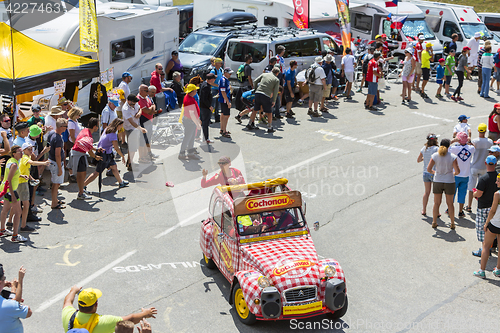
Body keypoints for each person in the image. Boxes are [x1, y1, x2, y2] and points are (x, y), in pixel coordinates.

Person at [62, 286, 157, 333]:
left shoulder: (68, 315)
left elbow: (67, 302)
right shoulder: (104, 321)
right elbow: (130, 319)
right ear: (96, 304)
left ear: (79, 304)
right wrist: (146, 314)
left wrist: (73, 291)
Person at [84, 119, 129, 190]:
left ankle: (121, 182)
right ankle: (83, 185)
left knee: (114, 167)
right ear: (118, 125)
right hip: (104, 154)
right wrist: (122, 156)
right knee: (97, 172)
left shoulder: (107, 129)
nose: (121, 127)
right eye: (121, 125)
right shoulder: (113, 134)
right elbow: (116, 147)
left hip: (106, 153)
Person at [427, 139, 460, 229]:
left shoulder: (435, 155)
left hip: (438, 180)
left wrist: (435, 173)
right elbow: (457, 171)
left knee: (436, 203)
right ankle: (452, 223)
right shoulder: (452, 156)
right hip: (449, 181)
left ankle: (434, 222)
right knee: (450, 203)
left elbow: (429, 169)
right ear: (449, 146)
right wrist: (453, 174)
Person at [473, 173, 500, 279]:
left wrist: (486, 223)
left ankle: (482, 271)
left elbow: (492, 210)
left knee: (486, 246)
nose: (496, 182)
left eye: (498, 181)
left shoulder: (497, 194)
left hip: (495, 223)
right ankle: (498, 269)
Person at [18, 142, 49, 232]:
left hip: (23, 182)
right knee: (25, 205)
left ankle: (12, 223)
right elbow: (32, 163)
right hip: (22, 184)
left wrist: (32, 179)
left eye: (32, 148)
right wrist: (43, 163)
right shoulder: (25, 158)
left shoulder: (25, 157)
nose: (31, 150)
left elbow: (25, 171)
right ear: (24, 151)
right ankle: (23, 225)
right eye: (29, 149)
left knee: (19, 205)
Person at [471, 155, 498, 258]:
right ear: (495, 164)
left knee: (483, 229)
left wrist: (474, 194)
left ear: (485, 163)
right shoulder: (498, 177)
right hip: (495, 207)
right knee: (493, 227)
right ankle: (492, 246)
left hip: (483, 207)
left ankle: (484, 250)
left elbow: (479, 194)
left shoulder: (483, 179)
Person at [0, 146, 26, 242]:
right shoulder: (14, 164)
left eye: (22, 151)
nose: (22, 153)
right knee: (18, 212)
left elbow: (10, 174)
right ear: (14, 153)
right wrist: (13, 195)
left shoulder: (11, 160)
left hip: (5, 189)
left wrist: (21, 175)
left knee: (5, 209)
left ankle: (2, 230)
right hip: (11, 190)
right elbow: (9, 180)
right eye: (19, 152)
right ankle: (15, 236)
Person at [71, 118, 101, 200]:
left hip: (78, 154)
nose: (98, 128)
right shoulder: (88, 135)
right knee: (81, 175)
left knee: (82, 175)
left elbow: (88, 146)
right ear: (94, 127)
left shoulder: (85, 130)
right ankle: (81, 193)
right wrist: (96, 157)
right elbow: (90, 151)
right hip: (79, 155)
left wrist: (97, 149)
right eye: (98, 126)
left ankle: (82, 190)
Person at [466, 124, 493, 212]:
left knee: (471, 187)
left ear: (478, 131)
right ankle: (480, 206)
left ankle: (469, 206)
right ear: (485, 131)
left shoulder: (475, 141)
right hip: (484, 167)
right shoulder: (490, 141)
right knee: (482, 189)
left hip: (474, 166)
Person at [450, 132, 475, 218]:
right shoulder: (471, 148)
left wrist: (453, 141)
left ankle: (450, 209)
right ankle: (460, 211)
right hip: (465, 175)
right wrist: (469, 141)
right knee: (462, 193)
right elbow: (473, 146)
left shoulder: (454, 149)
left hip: (456, 174)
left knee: (452, 193)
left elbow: (446, 147)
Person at [0, 265, 32, 331]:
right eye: (4, 278)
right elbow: (28, 312)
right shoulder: (8, 305)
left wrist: (3, 285)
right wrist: (17, 284)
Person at [122, 95, 147, 169]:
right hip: (130, 128)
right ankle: (130, 164)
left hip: (136, 128)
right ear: (128, 101)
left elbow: (140, 108)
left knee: (132, 147)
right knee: (132, 147)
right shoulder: (125, 109)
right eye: (133, 102)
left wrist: (139, 113)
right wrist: (141, 129)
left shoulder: (134, 103)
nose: (135, 103)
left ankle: (129, 161)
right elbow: (131, 122)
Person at [47, 118, 67, 210]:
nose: (66, 128)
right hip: (55, 163)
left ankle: (55, 199)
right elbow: (57, 155)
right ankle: (54, 203)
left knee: (56, 183)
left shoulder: (52, 133)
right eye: (65, 126)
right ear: (61, 127)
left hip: (52, 161)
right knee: (56, 184)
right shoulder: (58, 138)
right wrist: (60, 168)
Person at [253, 67, 281, 133]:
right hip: (266, 95)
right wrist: (274, 100)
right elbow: (276, 91)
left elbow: (255, 81)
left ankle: (249, 123)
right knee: (269, 112)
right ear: (277, 73)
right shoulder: (276, 79)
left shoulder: (264, 74)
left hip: (257, 93)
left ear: (272, 71)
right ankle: (269, 127)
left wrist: (255, 89)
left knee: (255, 109)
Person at [178, 84, 202, 160]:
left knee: (191, 138)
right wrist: (197, 123)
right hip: (189, 121)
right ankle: (182, 154)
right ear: (191, 92)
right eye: (195, 90)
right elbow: (191, 113)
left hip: (189, 121)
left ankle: (190, 153)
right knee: (188, 137)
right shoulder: (190, 99)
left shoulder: (188, 97)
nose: (196, 91)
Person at [417, 134, 439, 216]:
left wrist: (425, 158)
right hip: (434, 172)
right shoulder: (437, 149)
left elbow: (418, 160)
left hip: (425, 173)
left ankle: (424, 210)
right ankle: (436, 211)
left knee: (426, 192)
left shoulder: (424, 149)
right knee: (436, 193)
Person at [137, 85, 158, 163]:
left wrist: (151, 109)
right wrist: (151, 109)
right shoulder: (139, 99)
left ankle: (146, 155)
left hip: (149, 121)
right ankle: (141, 158)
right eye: (146, 91)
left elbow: (153, 105)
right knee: (142, 141)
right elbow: (146, 111)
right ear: (141, 91)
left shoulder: (146, 97)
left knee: (148, 140)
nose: (148, 92)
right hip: (143, 122)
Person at [199, 73, 215, 144]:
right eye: (214, 79)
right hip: (205, 108)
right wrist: (209, 106)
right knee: (205, 123)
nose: (215, 80)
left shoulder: (204, 84)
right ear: (211, 79)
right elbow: (204, 98)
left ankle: (203, 137)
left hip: (203, 107)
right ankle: (205, 138)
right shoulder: (206, 87)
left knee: (203, 122)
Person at [218, 68, 233, 138]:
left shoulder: (225, 80)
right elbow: (223, 92)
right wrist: (228, 102)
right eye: (229, 73)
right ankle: (224, 131)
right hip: (224, 100)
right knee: (226, 116)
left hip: (224, 99)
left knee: (223, 114)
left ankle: (222, 129)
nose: (230, 74)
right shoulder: (223, 80)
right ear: (225, 73)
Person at [210, 58, 223, 123]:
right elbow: (211, 82)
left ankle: (217, 117)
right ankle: (208, 118)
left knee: (218, 104)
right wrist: (218, 86)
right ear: (217, 63)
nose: (221, 64)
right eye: (220, 63)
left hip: (219, 90)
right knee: (212, 104)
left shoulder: (221, 70)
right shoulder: (213, 72)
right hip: (213, 90)